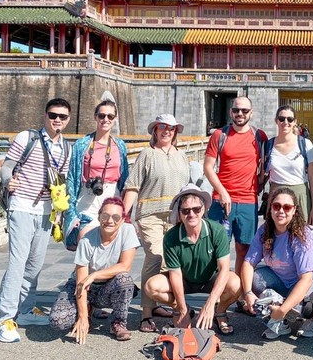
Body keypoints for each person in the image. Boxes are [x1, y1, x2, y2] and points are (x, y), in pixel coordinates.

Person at [0, 98, 72, 343]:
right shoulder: (26, 138)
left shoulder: (67, 148)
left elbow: (63, 179)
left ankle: (26, 310)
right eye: (53, 115)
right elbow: (7, 167)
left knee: (35, 265)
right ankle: (4, 319)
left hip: (46, 211)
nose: (57, 119)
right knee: (17, 263)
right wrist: (8, 180)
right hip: (22, 206)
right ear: (44, 115)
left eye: (62, 116)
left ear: (68, 120)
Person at [123, 113, 191, 333]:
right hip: (150, 215)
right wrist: (124, 215)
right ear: (155, 130)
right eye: (162, 127)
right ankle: (155, 312)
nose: (167, 131)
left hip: (175, 216)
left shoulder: (182, 156)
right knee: (157, 256)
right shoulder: (147, 154)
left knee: (164, 261)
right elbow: (133, 185)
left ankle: (152, 307)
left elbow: (186, 188)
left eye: (171, 128)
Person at [143, 184, 241, 335]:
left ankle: (219, 312)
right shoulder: (171, 237)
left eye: (196, 209)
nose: (191, 214)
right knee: (151, 286)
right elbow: (175, 275)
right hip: (184, 279)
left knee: (235, 283)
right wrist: (182, 309)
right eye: (186, 210)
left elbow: (224, 269)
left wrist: (210, 304)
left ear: (203, 210)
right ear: (179, 213)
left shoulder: (217, 230)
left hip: (210, 278)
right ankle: (182, 309)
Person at [241, 186, 313, 339]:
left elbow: (306, 279)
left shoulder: (302, 236)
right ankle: (281, 323)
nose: (281, 211)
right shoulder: (264, 230)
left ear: (294, 210)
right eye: (276, 206)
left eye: (287, 207)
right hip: (284, 279)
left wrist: (283, 309)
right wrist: (248, 294)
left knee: (297, 304)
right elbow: (248, 263)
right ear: (270, 208)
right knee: (254, 279)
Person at [49, 197, 140, 343]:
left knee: (125, 279)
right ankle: (87, 309)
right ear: (98, 217)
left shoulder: (128, 231)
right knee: (58, 322)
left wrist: (95, 274)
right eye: (105, 216)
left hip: (109, 287)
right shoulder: (86, 240)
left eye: (116, 217)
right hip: (84, 287)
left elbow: (125, 266)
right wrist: (83, 318)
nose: (110, 221)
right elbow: (81, 283)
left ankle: (118, 322)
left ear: (122, 220)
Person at [204, 97, 268, 280]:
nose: (240, 114)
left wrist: (261, 184)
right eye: (236, 110)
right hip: (221, 201)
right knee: (218, 248)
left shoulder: (259, 136)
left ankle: (240, 292)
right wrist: (222, 191)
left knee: (244, 249)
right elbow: (208, 167)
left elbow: (265, 166)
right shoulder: (219, 135)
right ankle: (219, 291)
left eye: (245, 111)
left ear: (251, 113)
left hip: (248, 201)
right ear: (231, 112)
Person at [64, 100, 129, 249]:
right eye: (102, 115)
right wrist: (71, 210)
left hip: (112, 195)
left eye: (110, 116)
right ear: (95, 117)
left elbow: (125, 178)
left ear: (115, 119)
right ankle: (82, 273)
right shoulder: (82, 144)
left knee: (109, 246)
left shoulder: (120, 146)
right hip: (88, 198)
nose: (105, 119)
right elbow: (72, 178)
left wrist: (126, 209)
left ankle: (102, 273)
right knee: (86, 244)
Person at [265, 105, 313, 225]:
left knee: (300, 237)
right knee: (276, 238)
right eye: (281, 118)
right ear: (276, 120)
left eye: (290, 119)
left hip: (300, 195)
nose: (285, 122)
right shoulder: (268, 145)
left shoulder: (305, 144)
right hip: (276, 195)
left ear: (295, 122)